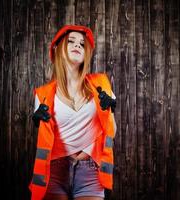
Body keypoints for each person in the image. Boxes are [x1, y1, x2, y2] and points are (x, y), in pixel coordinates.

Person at [29, 25, 117, 200]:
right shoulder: (43, 95)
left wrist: (109, 110)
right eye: (71, 41)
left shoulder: (101, 85)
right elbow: (46, 139)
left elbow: (112, 132)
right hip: (55, 171)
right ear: (59, 49)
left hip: (90, 170)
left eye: (82, 44)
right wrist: (37, 123)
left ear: (86, 54)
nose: (77, 45)